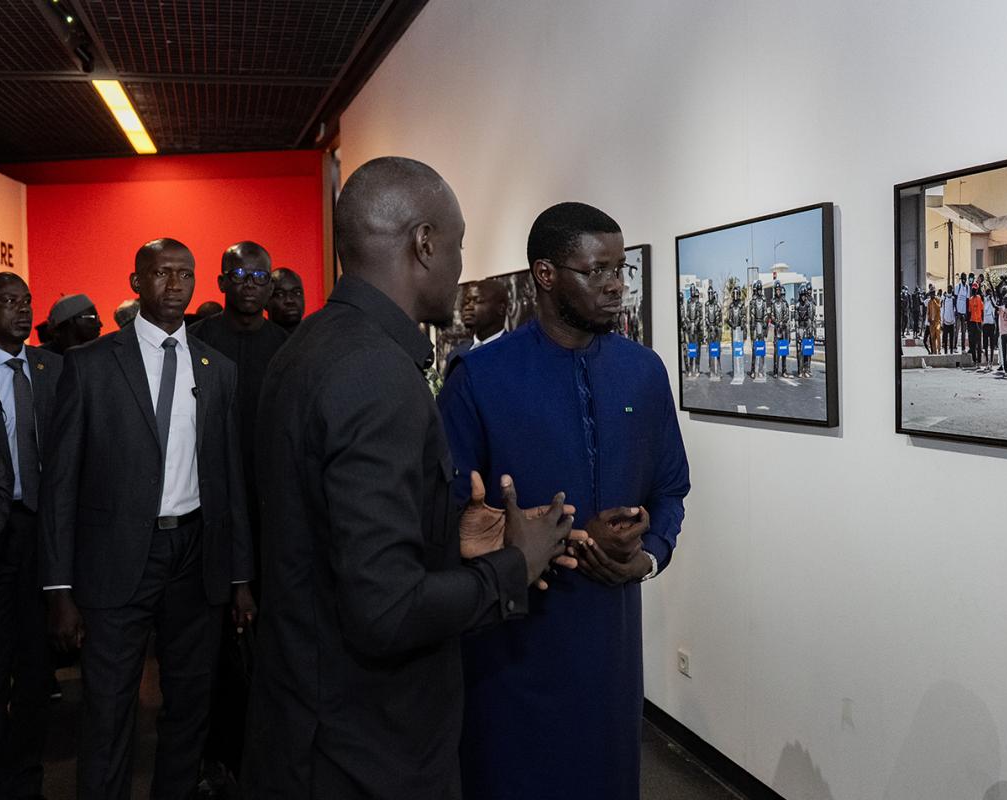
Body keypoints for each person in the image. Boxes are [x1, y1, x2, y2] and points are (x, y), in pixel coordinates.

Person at [244, 158, 574, 799]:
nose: (458, 266)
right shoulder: (376, 374)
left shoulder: (308, 348)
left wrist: (448, 537)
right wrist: (515, 564)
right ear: (424, 244)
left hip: (302, 722)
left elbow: (331, 534)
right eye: (458, 245)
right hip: (364, 746)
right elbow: (385, 611)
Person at [440, 202, 690, 800]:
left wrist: (646, 554)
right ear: (545, 275)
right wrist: (528, 536)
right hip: (511, 653)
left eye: (620, 270)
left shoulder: (644, 372)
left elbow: (671, 487)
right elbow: (445, 513)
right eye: (596, 270)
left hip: (610, 655)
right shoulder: (479, 377)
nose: (614, 286)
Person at [39, 238, 256, 800]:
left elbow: (229, 476)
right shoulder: (90, 366)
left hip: (194, 559)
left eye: (186, 273)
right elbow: (60, 482)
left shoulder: (217, 369)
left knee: (188, 708)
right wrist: (58, 586)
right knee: (109, 711)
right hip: (114, 562)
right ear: (137, 283)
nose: (176, 283)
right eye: (162, 272)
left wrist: (239, 577)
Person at [187, 241, 289, 788]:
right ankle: (216, 757)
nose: (250, 281)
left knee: (274, 642)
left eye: (260, 274)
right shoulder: (198, 344)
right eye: (240, 272)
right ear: (222, 282)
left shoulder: (289, 347)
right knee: (215, 646)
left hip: (277, 514)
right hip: (213, 512)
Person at [0, 273, 55, 800]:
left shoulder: (54, 370)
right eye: (9, 302)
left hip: (43, 534)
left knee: (35, 670)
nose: (22, 311)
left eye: (27, 302)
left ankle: (27, 779)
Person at [445, 279, 508, 377]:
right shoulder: (455, 356)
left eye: (477, 301)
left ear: (501, 309)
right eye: (466, 302)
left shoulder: (516, 351)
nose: (468, 307)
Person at [967, 284, 983, 365]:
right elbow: (969, 312)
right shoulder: (970, 300)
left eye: (975, 290)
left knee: (979, 343)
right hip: (972, 322)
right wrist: (969, 325)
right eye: (973, 289)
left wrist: (982, 321)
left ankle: (979, 361)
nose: (974, 291)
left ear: (977, 290)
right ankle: (974, 360)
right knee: (972, 342)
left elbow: (982, 309)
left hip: (979, 322)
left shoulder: (979, 298)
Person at [941, 285, 956, 354]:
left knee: (951, 338)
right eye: (948, 288)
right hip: (945, 321)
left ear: (952, 289)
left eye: (951, 288)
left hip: (952, 322)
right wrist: (942, 321)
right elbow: (942, 310)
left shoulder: (953, 299)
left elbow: (955, 310)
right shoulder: (944, 298)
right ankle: (946, 352)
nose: (949, 289)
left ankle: (951, 352)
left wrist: (954, 321)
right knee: (945, 338)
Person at [925, 286, 941, 355]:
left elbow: (939, 308)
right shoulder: (928, 302)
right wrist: (929, 319)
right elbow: (928, 312)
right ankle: (934, 352)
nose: (932, 294)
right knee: (932, 338)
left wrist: (934, 301)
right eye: (931, 293)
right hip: (931, 322)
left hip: (937, 321)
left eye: (933, 293)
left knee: (938, 335)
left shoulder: (937, 299)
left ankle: (939, 350)